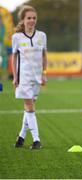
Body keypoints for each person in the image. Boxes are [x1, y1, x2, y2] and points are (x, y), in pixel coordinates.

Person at [12, 5, 47, 149]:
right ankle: (36, 140)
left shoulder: (42, 36)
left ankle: (21, 137)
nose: (31, 21)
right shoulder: (17, 37)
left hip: (37, 78)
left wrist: (44, 74)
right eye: (29, 18)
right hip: (24, 78)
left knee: (29, 108)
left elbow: (44, 55)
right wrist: (15, 77)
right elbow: (13, 58)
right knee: (30, 107)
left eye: (34, 18)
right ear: (23, 20)